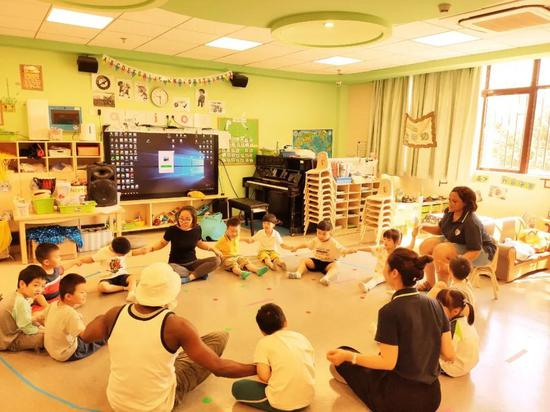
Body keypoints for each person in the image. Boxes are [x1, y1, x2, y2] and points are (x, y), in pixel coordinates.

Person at [80, 262, 256, 412]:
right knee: (219, 337)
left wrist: (105, 318)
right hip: (157, 406)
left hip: (117, 402)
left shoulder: (114, 314)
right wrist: (258, 368)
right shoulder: (177, 326)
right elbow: (219, 368)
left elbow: (86, 336)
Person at [326, 248, 455, 412]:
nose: (383, 268)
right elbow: (449, 354)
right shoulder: (435, 304)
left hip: (399, 401)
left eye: (385, 265)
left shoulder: (390, 311)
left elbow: (387, 362)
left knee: (342, 358)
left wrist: (348, 356)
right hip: (432, 398)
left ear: (394, 273)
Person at [232, 303, 315, 411]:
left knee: (238, 387)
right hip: (308, 398)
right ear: (285, 322)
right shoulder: (301, 337)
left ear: (262, 331)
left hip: (281, 403)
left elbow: (264, 376)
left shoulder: (263, 343)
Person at [417, 186, 497, 290]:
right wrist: (422, 227)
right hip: (461, 243)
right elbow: (441, 229)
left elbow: (475, 250)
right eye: (449, 200)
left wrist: (455, 264)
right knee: (425, 245)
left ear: (465, 203)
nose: (450, 203)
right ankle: (430, 283)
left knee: (440, 251)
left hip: (482, 253)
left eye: (454, 201)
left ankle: (442, 290)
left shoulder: (471, 222)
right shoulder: (450, 212)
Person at [145, 206, 222, 283]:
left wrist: (213, 249)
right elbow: (162, 243)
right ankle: (198, 273)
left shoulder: (197, 228)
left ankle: (189, 278)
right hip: (176, 264)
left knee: (217, 261)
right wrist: (151, 248)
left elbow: (199, 243)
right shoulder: (172, 230)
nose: (183, 221)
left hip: (193, 262)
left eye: (188, 219)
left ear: (193, 219)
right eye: (181, 218)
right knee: (168, 270)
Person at [44, 273, 105, 362]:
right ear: (68, 296)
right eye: (82, 292)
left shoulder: (53, 305)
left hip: (52, 349)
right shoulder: (71, 314)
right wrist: (98, 323)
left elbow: (43, 317)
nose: (85, 294)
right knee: (99, 337)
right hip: (67, 353)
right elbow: (85, 336)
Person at [288, 219, 356, 286]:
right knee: (304, 260)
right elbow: (305, 244)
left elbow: (342, 250)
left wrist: (350, 250)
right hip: (316, 261)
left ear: (330, 233)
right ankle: (298, 273)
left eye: (324, 234)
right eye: (319, 233)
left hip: (328, 264)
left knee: (336, 265)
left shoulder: (333, 242)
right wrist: (296, 247)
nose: (321, 236)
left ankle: (326, 278)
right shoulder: (315, 240)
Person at [77, 236, 146, 301]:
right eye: (122, 255)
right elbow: (91, 259)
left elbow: (133, 253)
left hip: (122, 275)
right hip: (107, 278)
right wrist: (80, 261)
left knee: (132, 278)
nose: (124, 255)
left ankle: (131, 293)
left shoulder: (123, 249)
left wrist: (143, 251)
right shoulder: (103, 252)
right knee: (102, 287)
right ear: (115, 251)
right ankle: (125, 288)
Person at [0, 265, 47, 351]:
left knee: (38, 319)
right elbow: (27, 329)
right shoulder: (21, 303)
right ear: (22, 284)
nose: (40, 290)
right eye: (36, 285)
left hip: (11, 330)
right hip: (9, 340)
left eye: (43, 286)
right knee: (46, 337)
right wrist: (44, 331)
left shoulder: (16, 294)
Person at [357, 228, 417, 293]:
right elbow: (370, 248)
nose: (385, 242)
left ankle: (398, 290)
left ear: (396, 242)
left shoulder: (398, 251)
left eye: (389, 240)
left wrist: (413, 237)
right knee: (376, 279)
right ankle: (367, 286)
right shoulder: (381, 249)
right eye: (384, 239)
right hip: (382, 272)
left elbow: (410, 247)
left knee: (402, 277)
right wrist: (357, 249)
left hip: (394, 273)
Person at [436, 289, 479, 377]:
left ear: (455, 311)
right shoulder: (464, 320)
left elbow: (448, 355)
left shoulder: (452, 327)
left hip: (456, 369)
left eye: (439, 309)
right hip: (469, 364)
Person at [32, 243, 77, 312]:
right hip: (45, 302)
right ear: (46, 262)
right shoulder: (41, 277)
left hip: (57, 298)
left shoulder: (56, 269)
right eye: (57, 257)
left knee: (76, 300)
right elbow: (38, 295)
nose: (60, 258)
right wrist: (48, 307)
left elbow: (64, 267)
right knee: (38, 313)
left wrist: (75, 262)